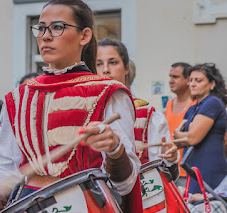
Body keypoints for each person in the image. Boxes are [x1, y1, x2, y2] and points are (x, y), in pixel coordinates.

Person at [0, 0, 142, 212]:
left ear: (84, 36)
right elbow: (6, 168)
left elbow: (125, 185)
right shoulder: (18, 98)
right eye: (41, 28)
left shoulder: (109, 92)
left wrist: (115, 148)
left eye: (57, 27)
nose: (45, 36)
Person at [96, 38, 178, 169]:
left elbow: (162, 171)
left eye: (112, 62)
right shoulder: (85, 111)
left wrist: (169, 158)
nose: (105, 70)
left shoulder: (148, 115)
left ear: (126, 68)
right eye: (98, 64)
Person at [173, 63, 227, 194]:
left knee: (207, 205)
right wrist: (181, 134)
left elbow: (192, 139)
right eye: (190, 80)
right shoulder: (193, 108)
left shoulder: (212, 102)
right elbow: (178, 141)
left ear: (212, 84)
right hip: (193, 168)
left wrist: (178, 132)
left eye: (198, 80)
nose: (192, 84)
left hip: (209, 167)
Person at [164, 62, 196, 186]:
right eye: (170, 76)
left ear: (188, 80)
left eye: (175, 77)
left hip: (187, 171)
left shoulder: (196, 105)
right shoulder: (169, 103)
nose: (170, 81)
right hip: (169, 170)